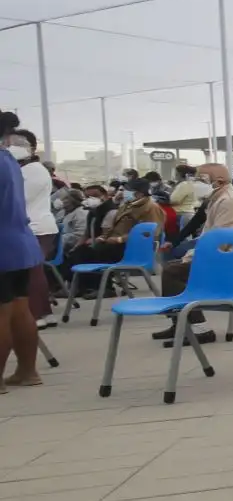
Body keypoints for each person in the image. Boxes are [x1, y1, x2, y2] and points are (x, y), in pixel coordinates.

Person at [147, 164, 233, 345]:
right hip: (230, 253)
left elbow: (220, 241)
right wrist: (190, 257)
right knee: (175, 266)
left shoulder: (230, 201)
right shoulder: (218, 199)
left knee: (174, 271)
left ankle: (200, 330)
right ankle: (181, 323)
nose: (195, 182)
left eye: (200, 179)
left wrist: (193, 259)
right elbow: (209, 237)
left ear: (219, 182)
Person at [0, 112, 45, 392]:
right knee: (19, 308)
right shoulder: (9, 160)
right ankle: (27, 371)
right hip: (18, 242)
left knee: (3, 313)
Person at [65, 177, 161, 293]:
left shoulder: (151, 208)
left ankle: (105, 288)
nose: (124, 192)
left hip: (132, 247)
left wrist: (119, 239)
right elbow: (113, 227)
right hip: (115, 243)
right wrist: (101, 237)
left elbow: (149, 234)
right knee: (81, 251)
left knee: (97, 252)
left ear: (139, 193)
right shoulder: (127, 205)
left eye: (127, 190)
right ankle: (82, 287)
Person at [4, 128, 56, 329]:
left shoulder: (33, 170)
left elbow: (20, 199)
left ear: (31, 147)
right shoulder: (23, 168)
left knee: (32, 273)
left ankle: (36, 314)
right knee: (36, 272)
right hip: (33, 226)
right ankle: (44, 312)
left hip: (36, 226)